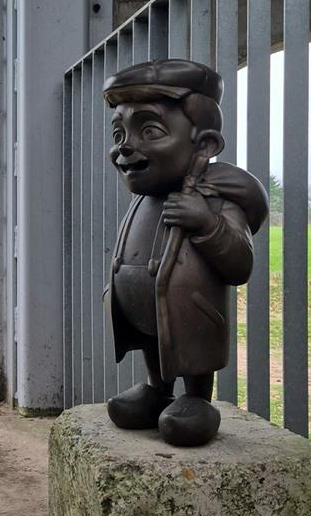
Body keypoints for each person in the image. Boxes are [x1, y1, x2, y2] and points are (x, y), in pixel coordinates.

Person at [103, 58, 268, 447]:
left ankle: (195, 398)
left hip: (193, 311)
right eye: (119, 133)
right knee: (153, 338)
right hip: (146, 307)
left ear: (205, 144)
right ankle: (156, 388)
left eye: (150, 131)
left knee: (187, 342)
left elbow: (239, 264)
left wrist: (207, 225)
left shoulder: (215, 200)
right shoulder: (147, 199)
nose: (125, 148)